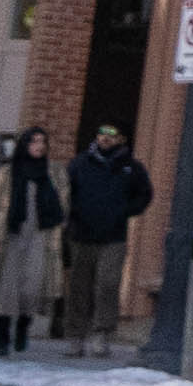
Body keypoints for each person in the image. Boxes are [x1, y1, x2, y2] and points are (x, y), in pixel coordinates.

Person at [57, 125, 152, 348]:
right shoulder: (80, 163)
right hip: (81, 234)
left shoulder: (132, 167)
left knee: (107, 284)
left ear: (121, 138)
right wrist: (71, 215)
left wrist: (124, 211)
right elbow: (64, 191)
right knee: (79, 286)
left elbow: (144, 194)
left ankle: (102, 332)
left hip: (113, 236)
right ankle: (75, 335)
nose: (105, 139)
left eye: (111, 135)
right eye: (101, 134)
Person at [0, 126, 65, 356]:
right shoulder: (7, 173)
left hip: (41, 234)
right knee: (5, 289)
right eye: (34, 141)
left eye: (43, 141)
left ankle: (22, 328)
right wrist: (1, 222)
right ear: (24, 144)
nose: (39, 146)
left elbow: (62, 204)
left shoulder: (53, 174)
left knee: (31, 287)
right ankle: (2, 339)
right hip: (10, 235)